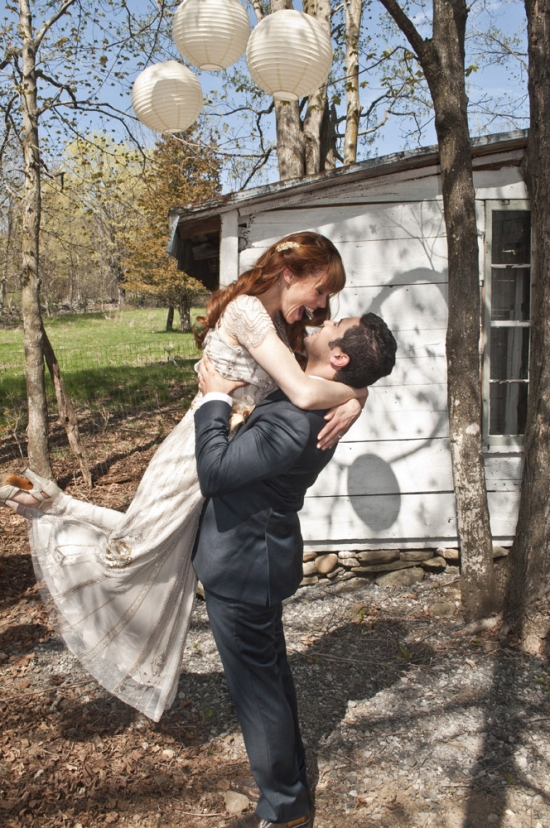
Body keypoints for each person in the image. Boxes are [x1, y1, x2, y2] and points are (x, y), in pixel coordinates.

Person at [0, 232, 367, 723]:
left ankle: (55, 505)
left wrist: (358, 394)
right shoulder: (248, 312)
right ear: (290, 273)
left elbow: (314, 379)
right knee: (135, 546)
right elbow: (303, 391)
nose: (323, 304)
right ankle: (54, 509)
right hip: (201, 447)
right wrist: (355, 397)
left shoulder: (281, 324)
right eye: (321, 290)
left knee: (163, 549)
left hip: (231, 448)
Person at [192, 312, 397, 828]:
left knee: (257, 693)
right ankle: (293, 781)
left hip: (243, 564)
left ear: (340, 357)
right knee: (271, 678)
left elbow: (215, 473)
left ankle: (284, 808)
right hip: (257, 559)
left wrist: (214, 398)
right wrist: (357, 395)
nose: (324, 319)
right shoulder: (311, 396)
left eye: (336, 323)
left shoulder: (294, 419)